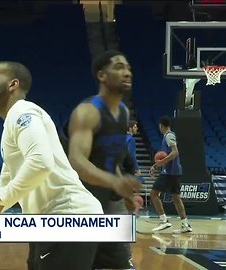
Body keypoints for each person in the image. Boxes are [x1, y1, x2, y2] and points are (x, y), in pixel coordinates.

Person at [0, 61, 103, 270]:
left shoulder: (22, 111)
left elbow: (40, 163)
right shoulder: (12, 125)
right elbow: (4, 193)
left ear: (13, 85)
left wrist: (1, 200)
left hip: (69, 218)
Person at [67, 50, 142, 269]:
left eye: (128, 68)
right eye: (119, 67)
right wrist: (114, 182)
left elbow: (113, 160)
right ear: (102, 75)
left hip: (111, 203)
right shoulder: (87, 111)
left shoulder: (124, 113)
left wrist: (124, 191)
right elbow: (77, 161)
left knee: (122, 264)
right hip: (81, 205)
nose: (127, 73)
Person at [149, 116, 192, 233]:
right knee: (176, 197)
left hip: (170, 172)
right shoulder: (167, 136)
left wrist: (158, 164)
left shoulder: (169, 136)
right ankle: (185, 224)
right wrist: (158, 165)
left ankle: (164, 221)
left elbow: (175, 153)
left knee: (153, 194)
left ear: (161, 126)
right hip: (174, 171)